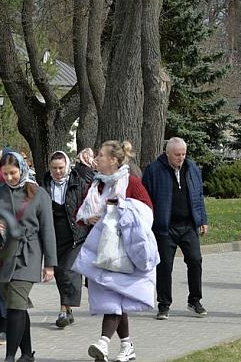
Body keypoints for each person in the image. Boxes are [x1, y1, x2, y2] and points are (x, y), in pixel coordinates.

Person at [74, 140, 156, 362]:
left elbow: (146, 215)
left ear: (113, 160)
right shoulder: (96, 185)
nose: (96, 159)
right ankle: (127, 346)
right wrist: (88, 218)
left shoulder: (132, 183)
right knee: (115, 299)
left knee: (115, 298)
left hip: (124, 251)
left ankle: (103, 342)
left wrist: (120, 214)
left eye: (101, 155)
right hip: (102, 251)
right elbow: (80, 214)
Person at [0, 152, 56, 362]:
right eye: (5, 173)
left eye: (13, 173)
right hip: (3, 256)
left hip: (28, 255)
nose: (9, 177)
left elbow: (48, 230)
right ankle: (27, 354)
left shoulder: (39, 194)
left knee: (14, 306)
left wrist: (50, 265)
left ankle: (9, 357)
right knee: (18, 305)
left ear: (22, 169)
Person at [141, 137, 210, 320]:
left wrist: (202, 219)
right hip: (165, 227)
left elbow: (198, 196)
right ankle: (164, 304)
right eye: (177, 155)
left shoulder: (192, 168)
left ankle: (195, 300)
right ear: (167, 153)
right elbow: (145, 200)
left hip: (188, 225)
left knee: (195, 261)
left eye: (183, 154)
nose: (181, 158)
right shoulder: (154, 170)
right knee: (164, 266)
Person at [41, 151, 93, 329]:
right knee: (58, 273)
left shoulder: (78, 181)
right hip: (53, 235)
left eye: (61, 168)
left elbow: (90, 198)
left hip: (75, 234)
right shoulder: (44, 184)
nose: (57, 171)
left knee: (68, 271)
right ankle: (68, 309)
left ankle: (63, 309)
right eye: (54, 168)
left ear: (67, 166)